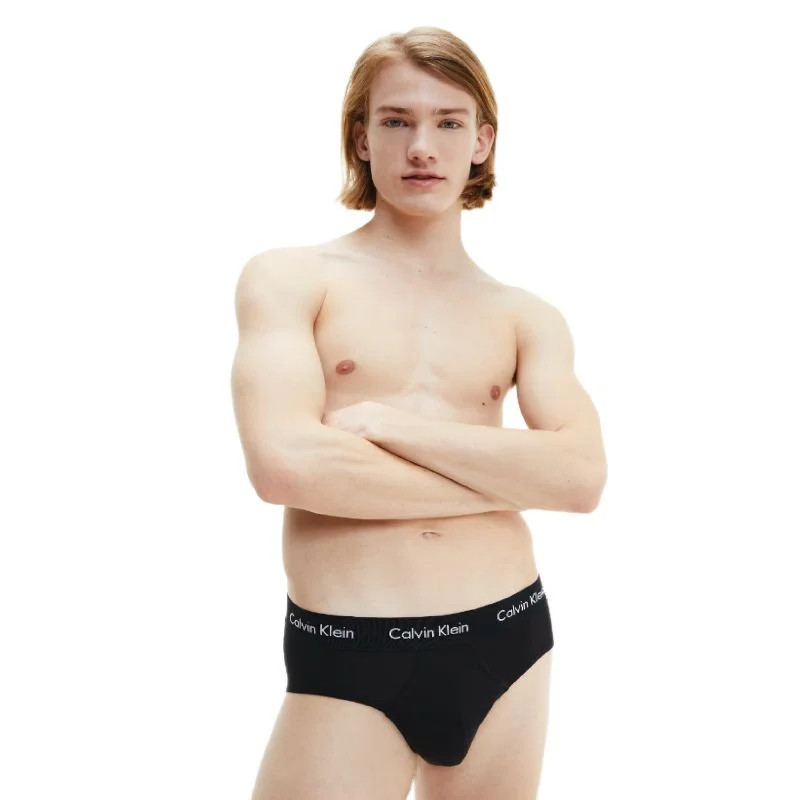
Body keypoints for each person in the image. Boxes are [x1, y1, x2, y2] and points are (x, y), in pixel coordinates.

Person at [230, 25, 606, 800]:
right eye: (397, 121)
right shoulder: (292, 279)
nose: (422, 147)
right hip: (353, 650)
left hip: (509, 636)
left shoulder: (526, 315)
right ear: (361, 139)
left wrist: (397, 429)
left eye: (448, 122)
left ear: (482, 141)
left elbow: (580, 478)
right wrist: (510, 479)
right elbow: (285, 466)